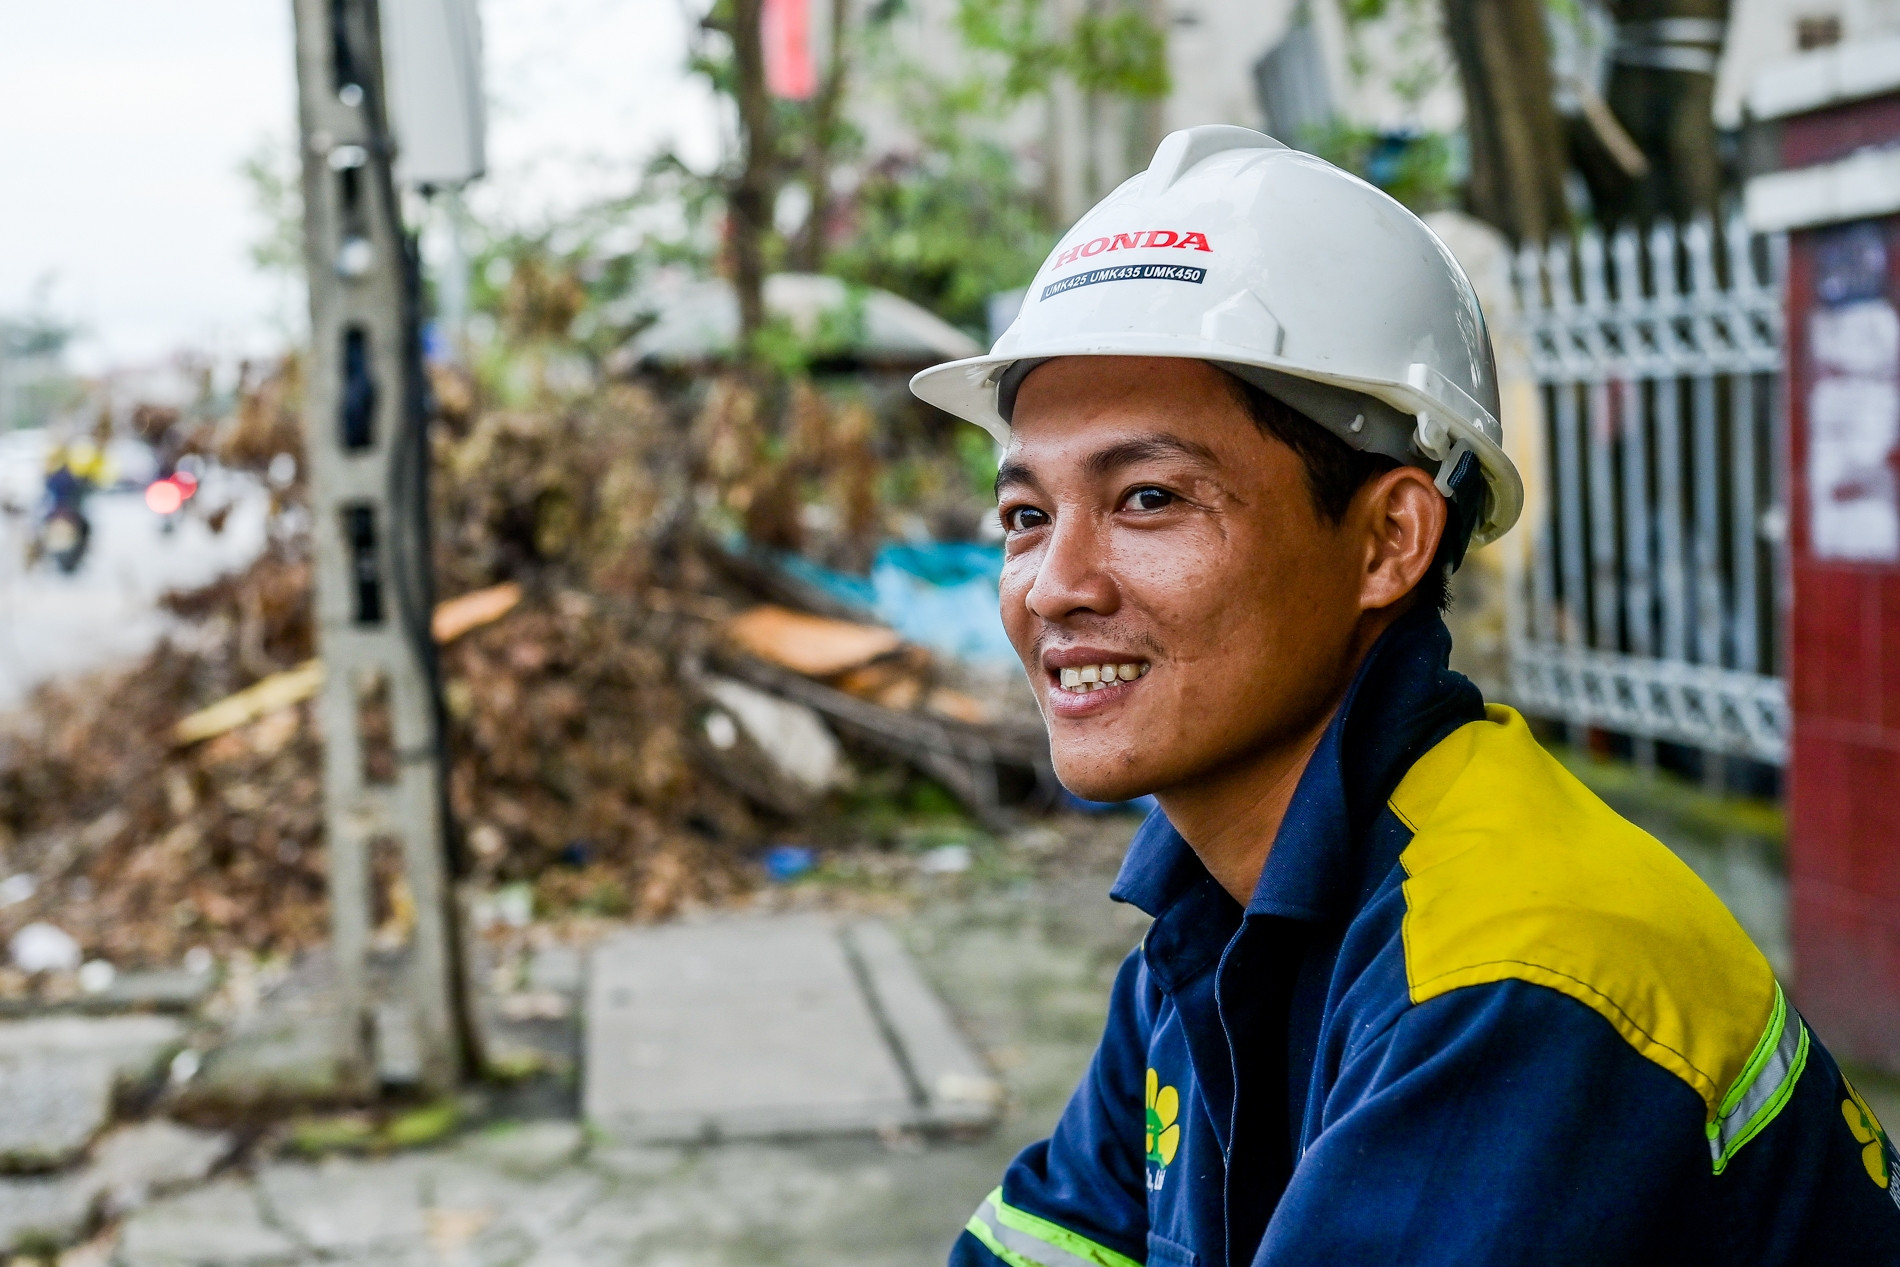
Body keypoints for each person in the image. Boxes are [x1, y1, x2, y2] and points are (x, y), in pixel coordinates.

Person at [910, 125, 1900, 1265]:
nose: (1056, 586)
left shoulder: (1513, 973)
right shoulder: (1213, 919)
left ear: (1388, 539)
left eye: (1145, 498)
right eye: (1026, 516)